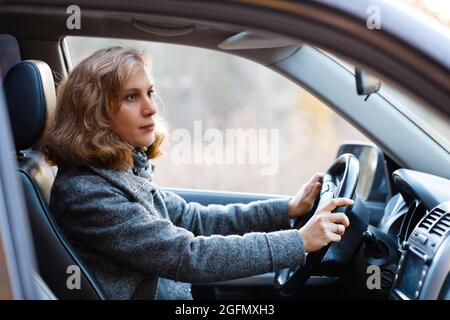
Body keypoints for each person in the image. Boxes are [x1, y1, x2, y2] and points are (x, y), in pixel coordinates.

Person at [38, 47, 352, 300]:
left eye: (150, 92)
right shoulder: (86, 193)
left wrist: (285, 210)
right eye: (131, 97)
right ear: (95, 113)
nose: (151, 108)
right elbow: (188, 255)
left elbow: (192, 219)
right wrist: (298, 241)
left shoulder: (118, 172)